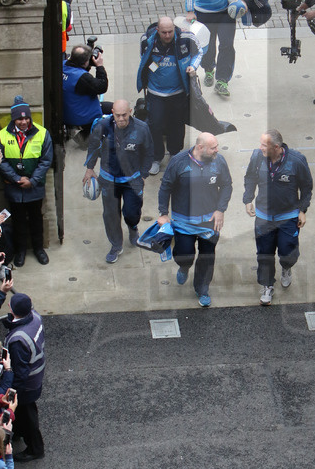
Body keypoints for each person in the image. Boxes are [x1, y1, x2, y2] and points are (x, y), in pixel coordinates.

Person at [157, 133, 233, 307]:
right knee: (184, 255)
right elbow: (165, 187)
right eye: (213, 147)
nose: (217, 150)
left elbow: (227, 185)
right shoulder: (178, 162)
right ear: (200, 148)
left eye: (217, 146)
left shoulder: (219, 161)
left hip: (210, 221)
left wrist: (220, 210)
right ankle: (184, 266)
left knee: (207, 257)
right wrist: (163, 213)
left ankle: (202, 288)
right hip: (183, 221)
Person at [243, 130, 313, 306]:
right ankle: (267, 285)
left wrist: (302, 210)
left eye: (263, 145)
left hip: (288, 216)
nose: (260, 148)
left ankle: (286, 267)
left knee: (288, 252)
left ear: (276, 147)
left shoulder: (297, 161)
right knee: (264, 253)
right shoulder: (257, 157)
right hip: (263, 216)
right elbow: (250, 177)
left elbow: (306, 187)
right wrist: (248, 199)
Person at [83, 99, 154, 264]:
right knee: (110, 215)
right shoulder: (102, 126)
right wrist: (89, 168)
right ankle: (116, 245)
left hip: (132, 180)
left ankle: (133, 227)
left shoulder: (142, 129)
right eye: (117, 115)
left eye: (124, 115)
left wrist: (143, 174)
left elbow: (149, 152)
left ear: (130, 111)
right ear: (112, 113)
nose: (121, 119)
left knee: (131, 212)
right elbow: (93, 146)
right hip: (108, 179)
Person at [137, 17, 201, 175]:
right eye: (164, 32)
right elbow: (144, 59)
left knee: (177, 125)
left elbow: (199, 52)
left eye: (170, 32)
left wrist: (193, 66)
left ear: (175, 28)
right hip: (155, 93)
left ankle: (175, 154)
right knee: (155, 125)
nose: (167, 35)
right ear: (158, 30)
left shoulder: (187, 39)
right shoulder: (146, 40)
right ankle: (156, 157)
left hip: (178, 93)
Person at [0, 97, 53, 267]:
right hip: (14, 186)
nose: (24, 121)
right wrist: (16, 178)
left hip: (34, 186)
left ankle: (39, 249)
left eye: (26, 118)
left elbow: (46, 160)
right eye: (20, 119)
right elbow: (1, 160)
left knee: (36, 218)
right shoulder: (3, 135)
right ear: (14, 119)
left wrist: (32, 180)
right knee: (18, 220)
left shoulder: (42, 133)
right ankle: (20, 251)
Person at [185, 0, 248, 98]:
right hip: (204, 13)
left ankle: (222, 81)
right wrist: (190, 10)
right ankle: (208, 69)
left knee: (227, 45)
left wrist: (244, 1)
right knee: (208, 45)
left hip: (226, 12)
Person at [2, 292, 44, 462]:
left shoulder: (18, 340)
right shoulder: (35, 317)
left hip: (26, 384)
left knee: (27, 415)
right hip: (36, 375)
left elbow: (20, 372)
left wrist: (13, 392)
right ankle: (17, 432)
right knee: (23, 412)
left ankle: (35, 448)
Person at [61, 43, 109, 140]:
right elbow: (102, 87)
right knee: (114, 108)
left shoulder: (62, 66)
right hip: (82, 117)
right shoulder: (82, 78)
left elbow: (78, 67)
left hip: (67, 113)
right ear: (85, 62)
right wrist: (99, 66)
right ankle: (84, 136)